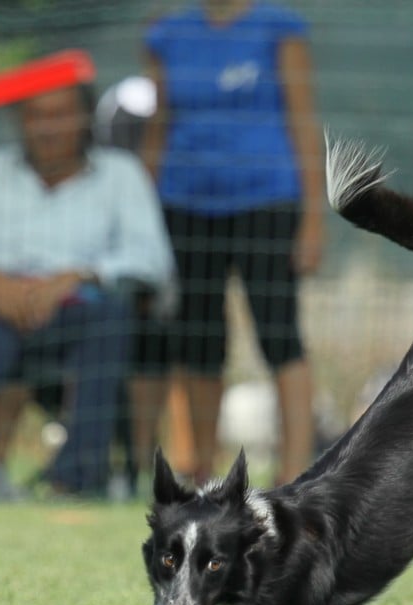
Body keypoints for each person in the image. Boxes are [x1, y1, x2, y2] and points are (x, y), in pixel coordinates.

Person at [0, 83, 173, 499]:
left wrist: (77, 277)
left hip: (78, 311)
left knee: (110, 324)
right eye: (36, 115)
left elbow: (151, 258)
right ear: (19, 120)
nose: (47, 128)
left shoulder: (120, 175)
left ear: (84, 119)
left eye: (60, 115)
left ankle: (73, 479)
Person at [139, 0, 325, 487]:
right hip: (183, 205)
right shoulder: (168, 35)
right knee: (198, 338)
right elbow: (157, 129)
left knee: (279, 334)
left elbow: (303, 122)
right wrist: (140, 214)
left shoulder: (279, 28)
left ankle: (295, 472)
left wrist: (312, 219)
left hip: (267, 202)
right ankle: (200, 468)